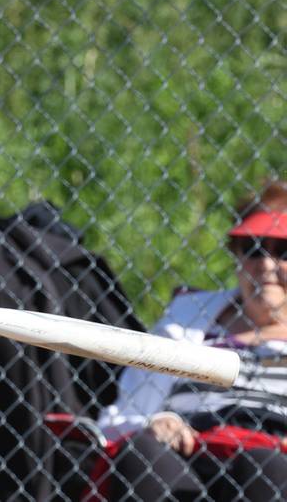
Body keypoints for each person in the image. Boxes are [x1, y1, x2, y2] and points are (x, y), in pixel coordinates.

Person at [96, 179, 287, 501]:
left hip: (272, 454)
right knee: (142, 452)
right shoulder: (189, 315)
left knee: (262, 466)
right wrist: (157, 422)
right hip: (187, 450)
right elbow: (125, 412)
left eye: (284, 250)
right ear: (236, 256)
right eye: (253, 248)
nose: (266, 265)